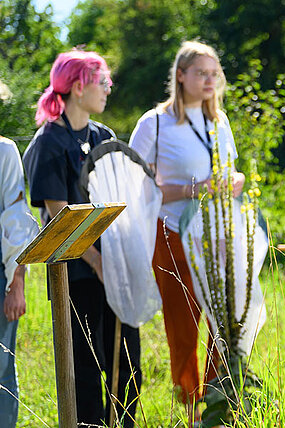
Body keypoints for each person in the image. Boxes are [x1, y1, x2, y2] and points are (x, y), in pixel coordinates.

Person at [23, 49, 141, 427]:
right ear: (77, 86)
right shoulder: (49, 142)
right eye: (101, 81)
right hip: (76, 277)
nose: (108, 88)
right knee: (87, 376)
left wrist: (121, 260)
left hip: (114, 271)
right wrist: (97, 261)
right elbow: (58, 212)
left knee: (129, 368)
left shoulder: (103, 135)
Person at [128, 40, 241, 423]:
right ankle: (191, 407)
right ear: (180, 75)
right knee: (183, 323)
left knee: (225, 319)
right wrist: (193, 188)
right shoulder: (154, 123)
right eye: (201, 73)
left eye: (214, 73)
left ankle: (218, 400)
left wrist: (233, 181)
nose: (210, 80)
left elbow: (230, 172)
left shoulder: (219, 121)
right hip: (171, 231)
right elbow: (136, 186)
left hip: (218, 232)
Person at [0, 132, 39, 427]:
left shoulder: (4, 151)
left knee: (0, 370)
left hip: (0, 279)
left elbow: (16, 219)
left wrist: (17, 283)